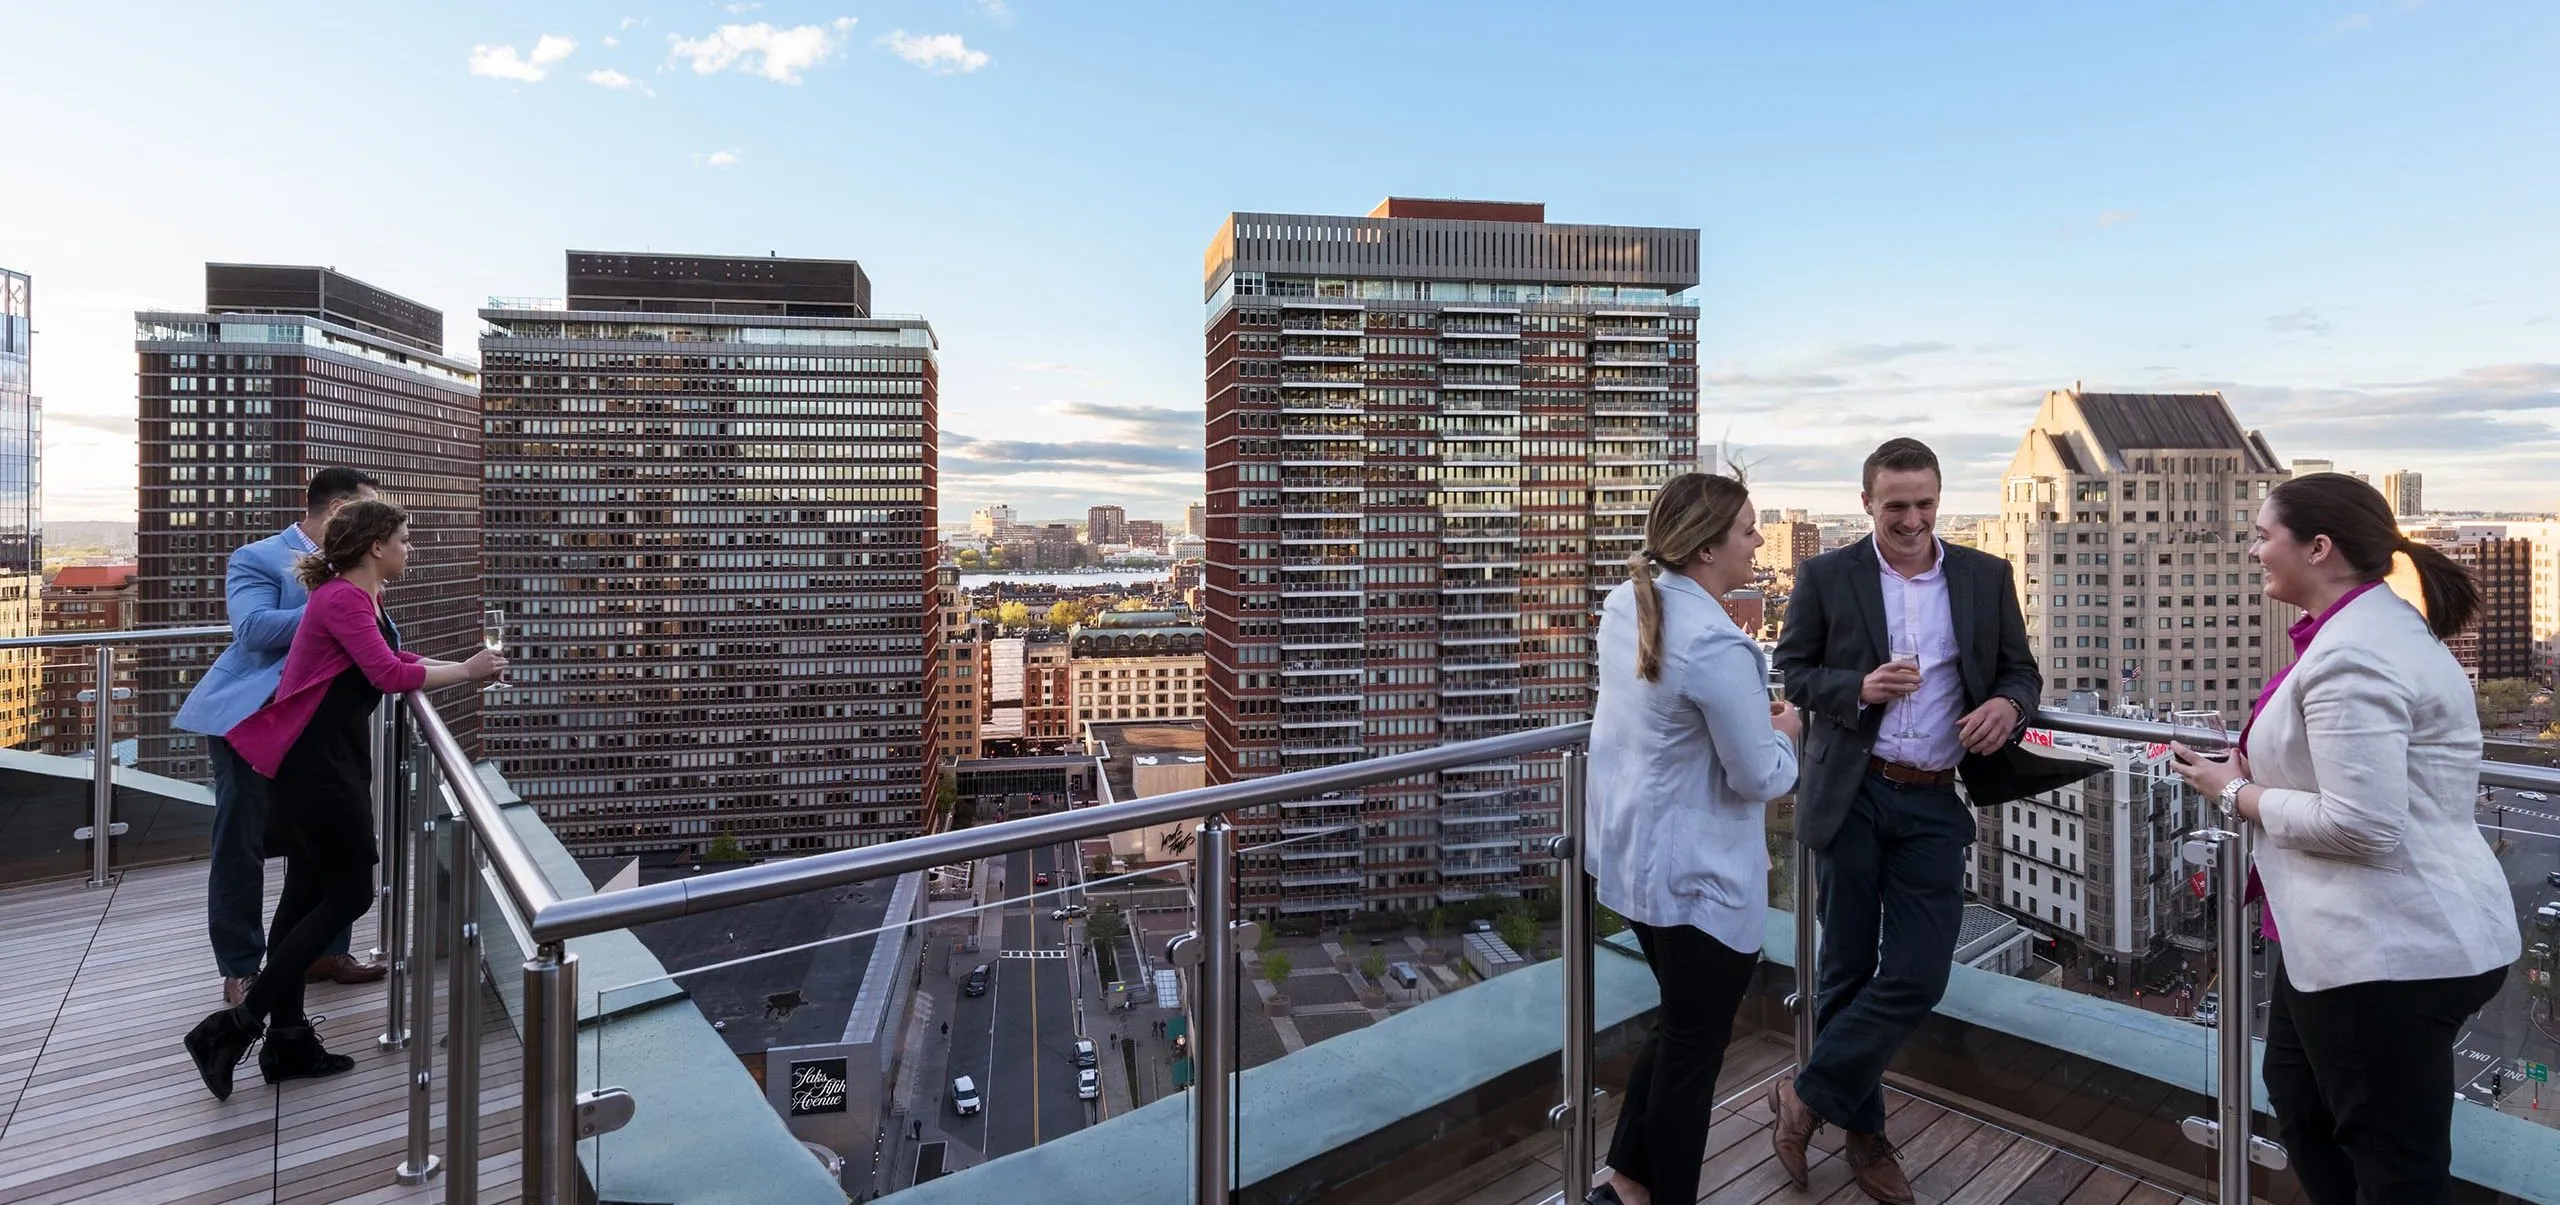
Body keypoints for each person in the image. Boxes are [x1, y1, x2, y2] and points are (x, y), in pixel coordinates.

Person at [2169, 472, 2517, 1204]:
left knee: (2394, 1165)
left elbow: (2363, 823)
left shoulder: (2354, 652)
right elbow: (2341, 768)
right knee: (2299, 1098)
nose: (2256, 549)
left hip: (2389, 948)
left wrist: (2234, 792)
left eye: (2266, 535)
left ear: (2319, 547)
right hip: (2334, 941)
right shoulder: (2361, 630)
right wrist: (2250, 763)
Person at [1767, 438, 2092, 1203]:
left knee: (1918, 971)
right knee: (1844, 968)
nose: (1912, 520)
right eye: (1895, 506)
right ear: (1867, 504)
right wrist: (1861, 686)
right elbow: (1794, 670)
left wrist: (2010, 705)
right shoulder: (1825, 574)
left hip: (1933, 797)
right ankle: (1867, 1134)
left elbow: (2022, 669)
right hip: (1852, 791)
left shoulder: (1983, 574)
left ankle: (1806, 1095)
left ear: (1940, 499)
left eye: (1924, 504)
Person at [182, 501, 505, 1100]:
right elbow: (386, 676)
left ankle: (289, 1040)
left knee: (305, 893)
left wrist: (461, 666)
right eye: (405, 540)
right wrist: (465, 672)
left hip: (327, 760)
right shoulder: (340, 599)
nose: (411, 550)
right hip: (318, 768)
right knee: (351, 890)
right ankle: (232, 1029)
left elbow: (392, 660)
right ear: (376, 547)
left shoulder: (356, 598)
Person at [1582, 473, 1802, 1205]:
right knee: (1695, 1051)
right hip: (1698, 882)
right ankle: (1663, 1192)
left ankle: (1626, 1181)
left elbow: (1663, 729)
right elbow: (1758, 776)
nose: (1760, 541)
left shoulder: (1625, 605)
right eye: (1748, 530)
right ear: (1708, 548)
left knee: (1679, 1024)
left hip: (1631, 862)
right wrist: (1788, 732)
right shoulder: (1717, 643)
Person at [175, 468, 387, 1004]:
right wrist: (335, 607)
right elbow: (251, 630)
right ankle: (242, 968)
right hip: (252, 719)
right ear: (338, 509)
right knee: (241, 844)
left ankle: (321, 951)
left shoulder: (356, 566)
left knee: (321, 840)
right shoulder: (258, 557)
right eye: (365, 510)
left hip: (321, 726)